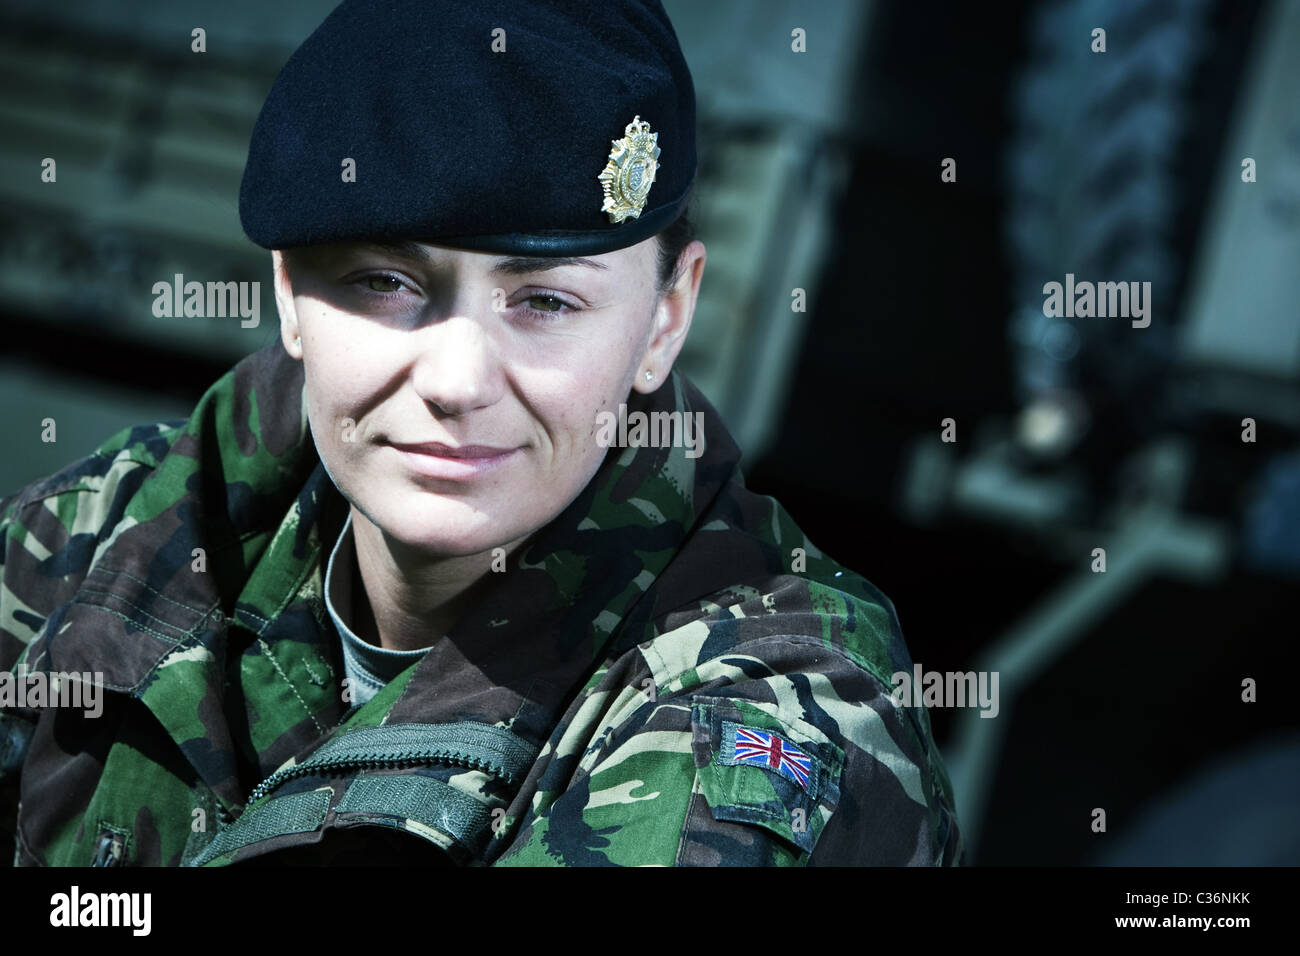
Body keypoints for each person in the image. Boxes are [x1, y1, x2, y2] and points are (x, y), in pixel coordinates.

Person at [0, 0, 963, 866]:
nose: (457, 383)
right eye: (386, 282)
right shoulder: (112, 529)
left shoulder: (765, 721)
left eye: (544, 301)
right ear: (290, 297)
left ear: (665, 321)